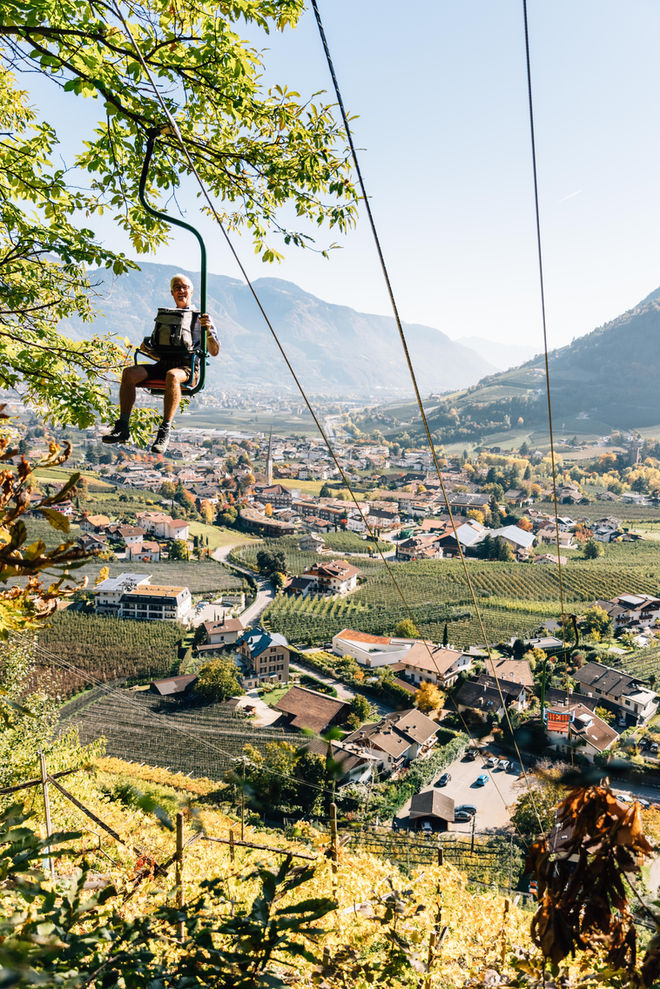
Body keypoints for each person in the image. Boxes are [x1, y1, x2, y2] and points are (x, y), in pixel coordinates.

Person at [103, 274, 220, 455]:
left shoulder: (201, 317)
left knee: (172, 376)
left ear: (191, 291)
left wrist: (208, 332)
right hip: (163, 363)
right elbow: (159, 349)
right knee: (129, 373)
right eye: (177, 288)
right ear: (172, 293)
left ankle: (164, 431)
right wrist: (148, 350)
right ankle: (123, 426)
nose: (181, 291)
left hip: (186, 367)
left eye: (185, 287)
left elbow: (214, 350)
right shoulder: (167, 317)